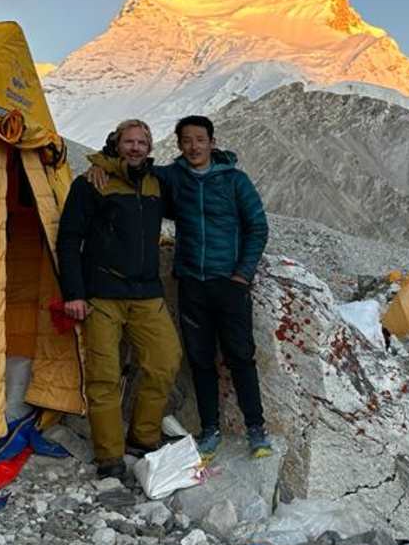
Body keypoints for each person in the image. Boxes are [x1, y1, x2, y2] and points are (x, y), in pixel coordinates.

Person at [87, 115, 271, 459]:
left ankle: (256, 429)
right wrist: (100, 165)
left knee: (240, 356)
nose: (194, 146)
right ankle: (210, 430)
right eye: (187, 140)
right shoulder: (173, 177)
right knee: (200, 359)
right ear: (179, 144)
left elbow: (257, 227)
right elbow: (131, 164)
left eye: (200, 140)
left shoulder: (235, 181)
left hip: (229, 282)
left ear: (212, 142)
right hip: (191, 282)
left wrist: (242, 275)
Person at [57, 119, 182, 479]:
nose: (136, 147)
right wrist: (74, 293)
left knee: (165, 361)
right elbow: (69, 238)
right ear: (116, 143)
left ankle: (143, 437)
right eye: (129, 141)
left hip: (146, 293)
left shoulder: (158, 182)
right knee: (104, 376)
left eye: (142, 142)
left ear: (150, 147)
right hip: (102, 294)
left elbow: (192, 180)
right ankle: (109, 456)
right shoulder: (91, 183)